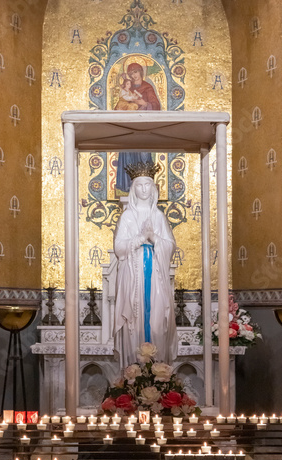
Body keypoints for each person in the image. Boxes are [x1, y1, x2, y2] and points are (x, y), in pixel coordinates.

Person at [113, 168, 178, 368]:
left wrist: (154, 238)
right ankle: (134, 368)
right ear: (133, 188)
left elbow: (171, 245)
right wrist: (140, 238)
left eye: (147, 184)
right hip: (133, 276)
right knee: (134, 319)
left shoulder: (158, 216)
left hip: (156, 273)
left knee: (158, 319)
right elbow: (119, 248)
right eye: (139, 185)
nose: (143, 189)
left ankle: (158, 369)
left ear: (153, 188)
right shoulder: (127, 217)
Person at [115, 62, 161, 193]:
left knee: (144, 155)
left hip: (144, 129)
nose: (134, 75)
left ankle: (147, 189)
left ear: (141, 72)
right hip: (128, 129)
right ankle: (129, 187)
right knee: (128, 156)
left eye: (135, 72)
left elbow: (156, 106)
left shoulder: (147, 88)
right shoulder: (126, 89)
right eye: (131, 73)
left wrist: (145, 103)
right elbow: (119, 105)